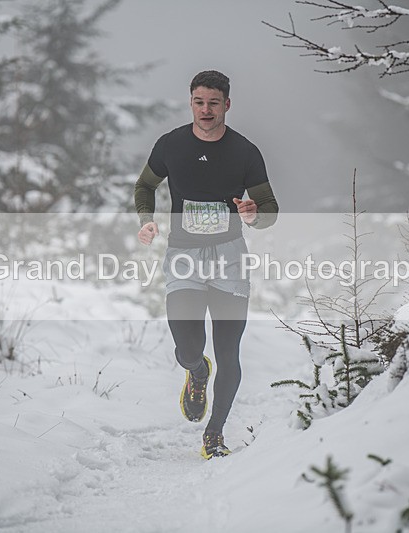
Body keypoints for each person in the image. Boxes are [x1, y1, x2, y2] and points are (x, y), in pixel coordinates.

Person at [134, 70, 279, 459]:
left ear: (227, 104)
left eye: (214, 102)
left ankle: (214, 434)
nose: (206, 110)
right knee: (187, 346)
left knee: (229, 350)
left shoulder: (245, 152)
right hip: (183, 257)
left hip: (230, 259)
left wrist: (252, 215)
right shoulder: (171, 145)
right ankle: (197, 371)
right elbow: (144, 185)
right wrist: (146, 219)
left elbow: (270, 210)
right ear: (191, 103)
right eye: (199, 101)